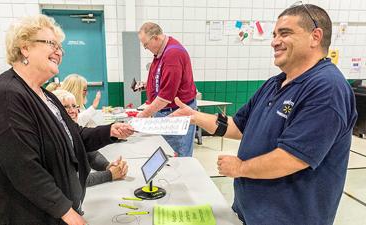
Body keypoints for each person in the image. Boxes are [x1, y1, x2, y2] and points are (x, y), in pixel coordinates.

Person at [171, 4, 357, 225]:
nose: (274, 41)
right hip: (251, 212)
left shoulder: (326, 88)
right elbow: (238, 126)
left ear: (315, 37)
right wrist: (195, 116)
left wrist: (240, 168)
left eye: (285, 33)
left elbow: (293, 158)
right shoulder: (275, 83)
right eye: (274, 34)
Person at [0, 14, 134, 225]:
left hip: (53, 211)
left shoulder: (45, 95)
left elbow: (75, 135)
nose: (59, 52)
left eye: (61, 47)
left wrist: (110, 131)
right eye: (52, 44)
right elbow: (23, 168)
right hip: (26, 216)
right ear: (25, 47)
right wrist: (67, 212)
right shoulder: (6, 95)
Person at [137, 22, 197, 157]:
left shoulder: (172, 54)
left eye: (146, 44)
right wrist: (148, 85)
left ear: (156, 38)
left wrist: (142, 116)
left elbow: (165, 97)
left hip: (175, 113)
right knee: (164, 156)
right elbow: (163, 80)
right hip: (165, 111)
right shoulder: (161, 52)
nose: (145, 48)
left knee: (177, 156)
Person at [52, 89, 128, 187]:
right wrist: (110, 174)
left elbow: (92, 155)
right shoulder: (55, 139)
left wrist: (108, 166)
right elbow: (74, 180)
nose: (72, 111)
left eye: (74, 106)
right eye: (65, 107)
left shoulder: (72, 130)